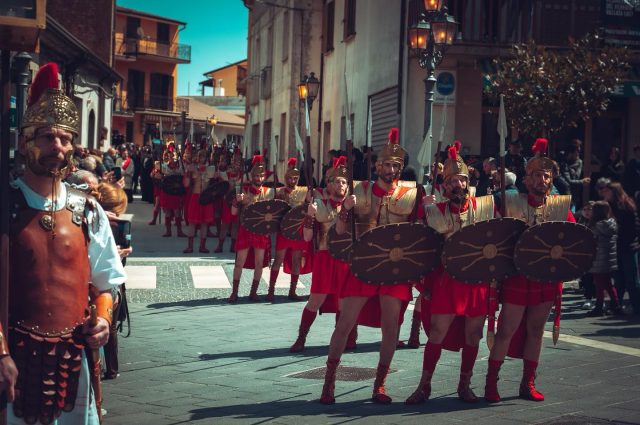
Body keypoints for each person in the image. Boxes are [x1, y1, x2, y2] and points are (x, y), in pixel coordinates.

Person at [0, 62, 126, 425]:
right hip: (12, 360)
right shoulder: (5, 205)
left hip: (73, 359)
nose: (57, 146)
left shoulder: (88, 211)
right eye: (46, 136)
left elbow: (107, 282)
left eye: (65, 138)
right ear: (26, 143)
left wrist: (102, 319)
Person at [319, 128, 424, 405]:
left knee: (391, 327)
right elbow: (340, 231)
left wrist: (431, 207)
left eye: (396, 165)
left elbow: (420, 234)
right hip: (364, 265)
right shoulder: (359, 190)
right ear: (377, 165)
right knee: (344, 323)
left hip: (395, 270)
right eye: (387, 164)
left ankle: (380, 384)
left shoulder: (411, 195)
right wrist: (345, 210)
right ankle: (328, 383)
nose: (391, 169)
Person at [485, 138, 575, 403]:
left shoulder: (560, 207)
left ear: (551, 180)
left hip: (546, 276)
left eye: (546, 176)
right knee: (506, 330)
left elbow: (572, 238)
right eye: (536, 175)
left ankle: (528, 383)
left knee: (536, 330)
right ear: (526, 179)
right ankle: (491, 383)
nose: (541, 180)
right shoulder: (510, 202)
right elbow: (488, 223)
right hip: (516, 275)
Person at [405, 143, 495, 405]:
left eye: (462, 179)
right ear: (446, 184)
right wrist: (425, 210)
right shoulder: (436, 212)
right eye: (453, 179)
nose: (459, 184)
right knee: (436, 332)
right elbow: (423, 248)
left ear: (468, 182)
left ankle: (464, 385)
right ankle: (424, 385)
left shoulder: (484, 207)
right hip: (447, 281)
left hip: (476, 281)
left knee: (473, 334)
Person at [289, 156, 354, 352]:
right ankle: (301, 337)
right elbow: (308, 237)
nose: (340, 185)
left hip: (346, 259)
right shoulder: (320, 204)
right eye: (337, 181)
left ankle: (341, 338)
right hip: (325, 257)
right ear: (329, 184)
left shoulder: (355, 205)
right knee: (315, 300)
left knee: (345, 302)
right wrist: (309, 215)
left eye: (344, 182)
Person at [95, 182, 133, 381]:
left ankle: (108, 368)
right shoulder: (104, 223)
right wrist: (118, 255)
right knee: (108, 327)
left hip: (103, 284)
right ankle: (109, 368)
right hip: (104, 285)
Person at [229, 155, 274, 302]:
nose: (259, 178)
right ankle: (234, 292)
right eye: (256, 175)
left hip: (261, 231)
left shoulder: (269, 192)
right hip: (246, 229)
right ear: (251, 176)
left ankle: (253, 292)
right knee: (239, 262)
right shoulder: (243, 190)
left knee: (259, 263)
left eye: (261, 175)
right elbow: (233, 212)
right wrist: (237, 201)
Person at [268, 158, 311, 301]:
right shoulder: (279, 191)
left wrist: (310, 197)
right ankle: (271, 290)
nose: (293, 180)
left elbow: (309, 205)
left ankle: (292, 291)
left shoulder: (304, 191)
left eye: (296, 178)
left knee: (296, 260)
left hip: (297, 231)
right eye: (291, 178)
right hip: (284, 230)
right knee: (278, 259)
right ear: (286, 178)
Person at [599, 181, 640, 315]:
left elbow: (634, 227)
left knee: (631, 279)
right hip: (616, 247)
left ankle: (636, 306)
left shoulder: (627, 206)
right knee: (619, 279)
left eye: (607, 191)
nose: (604, 194)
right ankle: (617, 305)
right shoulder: (608, 207)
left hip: (628, 246)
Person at [586, 201, 622, 316]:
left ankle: (599, 307)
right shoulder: (612, 224)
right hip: (608, 260)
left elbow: (590, 242)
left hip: (598, 259)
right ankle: (616, 305)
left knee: (599, 285)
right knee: (607, 284)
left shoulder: (595, 226)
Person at [182, 147, 216, 253]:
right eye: (200, 156)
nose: (201, 158)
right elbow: (186, 184)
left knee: (204, 223)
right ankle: (190, 246)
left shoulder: (210, 169)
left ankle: (202, 246)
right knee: (192, 222)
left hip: (206, 198)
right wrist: (188, 172)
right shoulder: (192, 168)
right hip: (195, 197)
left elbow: (217, 184)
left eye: (203, 156)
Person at [214, 149, 242, 253]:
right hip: (227, 202)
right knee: (224, 224)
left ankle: (233, 246)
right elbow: (222, 187)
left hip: (237, 202)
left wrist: (241, 198)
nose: (236, 163)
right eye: (234, 160)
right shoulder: (226, 174)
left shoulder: (244, 176)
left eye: (238, 161)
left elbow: (244, 190)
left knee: (235, 224)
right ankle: (220, 245)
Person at [159, 143, 187, 238]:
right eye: (170, 156)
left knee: (177, 211)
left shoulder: (181, 167)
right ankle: (168, 231)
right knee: (167, 212)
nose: (171, 158)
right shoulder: (163, 167)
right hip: (166, 191)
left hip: (176, 192)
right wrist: (160, 176)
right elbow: (156, 177)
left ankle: (179, 231)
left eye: (173, 157)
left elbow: (184, 176)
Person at [560, 145, 590, 211]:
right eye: (577, 151)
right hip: (564, 194)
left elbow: (576, 176)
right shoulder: (563, 164)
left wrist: (579, 164)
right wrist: (582, 181)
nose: (578, 154)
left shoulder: (578, 162)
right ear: (571, 153)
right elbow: (569, 181)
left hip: (574, 195)